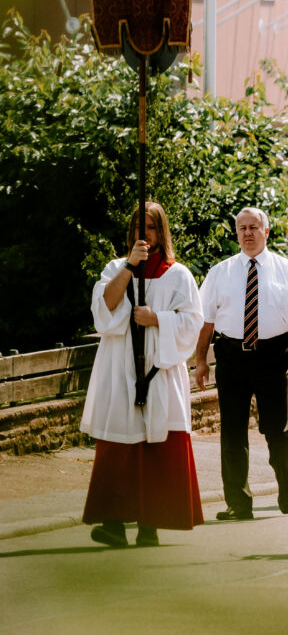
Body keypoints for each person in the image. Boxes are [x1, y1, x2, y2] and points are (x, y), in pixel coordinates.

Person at [81, 202, 204, 548]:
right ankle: (114, 523)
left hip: (159, 370)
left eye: (150, 228)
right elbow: (105, 308)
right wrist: (129, 267)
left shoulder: (178, 275)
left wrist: (158, 319)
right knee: (120, 444)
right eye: (138, 228)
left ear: (160, 231)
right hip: (120, 368)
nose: (144, 235)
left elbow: (193, 322)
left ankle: (151, 523)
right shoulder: (115, 269)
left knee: (157, 443)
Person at [195, 207, 288, 520]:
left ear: (266, 231)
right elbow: (205, 322)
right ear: (236, 233)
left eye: (253, 227)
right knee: (232, 431)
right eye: (242, 228)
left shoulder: (286, 270)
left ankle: (283, 476)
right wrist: (200, 361)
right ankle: (238, 502)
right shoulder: (220, 272)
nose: (247, 233)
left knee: (276, 428)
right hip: (231, 356)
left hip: (271, 355)